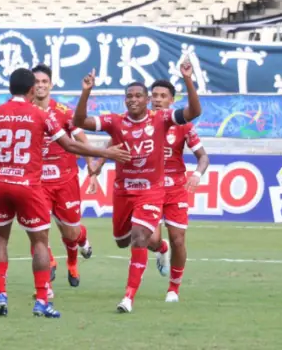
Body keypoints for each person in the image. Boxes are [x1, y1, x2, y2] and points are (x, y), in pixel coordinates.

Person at [0, 68, 131, 319]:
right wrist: (107, 153)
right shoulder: (39, 114)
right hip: (29, 185)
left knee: (0, 239)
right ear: (31, 89)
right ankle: (42, 300)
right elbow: (69, 144)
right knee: (40, 241)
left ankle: (1, 294)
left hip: (0, 183)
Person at [72, 60, 202, 313]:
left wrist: (188, 78)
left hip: (152, 191)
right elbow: (80, 121)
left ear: (146, 101)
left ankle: (129, 297)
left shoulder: (163, 119)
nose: (133, 100)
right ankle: (160, 248)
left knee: (141, 238)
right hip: (123, 191)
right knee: (122, 241)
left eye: (138, 96)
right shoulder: (115, 122)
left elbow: (194, 112)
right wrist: (86, 91)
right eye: (129, 96)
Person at [32, 65, 94, 291]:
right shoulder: (26, 111)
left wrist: (91, 165)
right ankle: (48, 265)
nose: (40, 85)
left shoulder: (64, 112)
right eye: (36, 81)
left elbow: (80, 139)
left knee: (71, 233)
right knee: (37, 230)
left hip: (65, 181)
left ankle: (73, 259)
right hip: (36, 182)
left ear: (51, 84)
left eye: (44, 81)